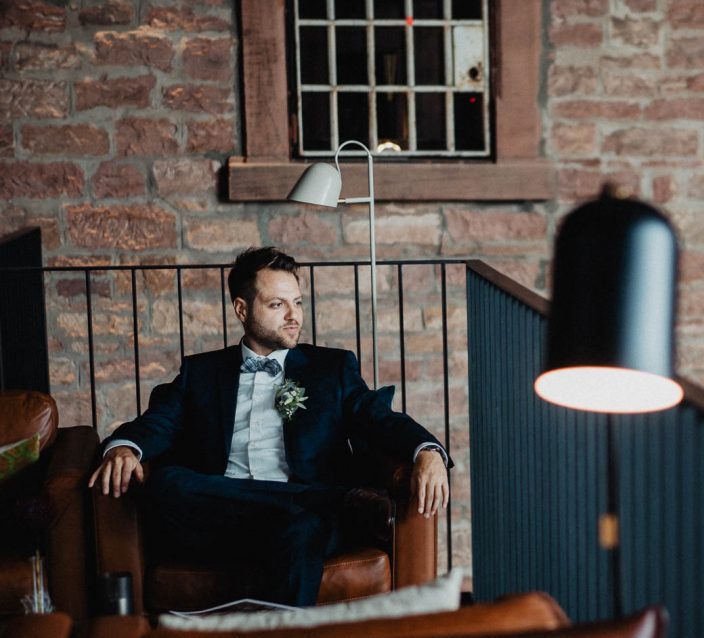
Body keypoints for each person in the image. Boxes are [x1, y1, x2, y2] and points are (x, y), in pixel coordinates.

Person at [88, 246, 452, 606]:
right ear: (242, 309)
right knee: (168, 482)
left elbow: (378, 418)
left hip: (298, 526)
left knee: (301, 526)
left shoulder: (332, 368)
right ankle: (330, 501)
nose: (294, 315)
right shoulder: (201, 373)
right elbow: (159, 422)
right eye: (278, 305)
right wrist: (124, 447)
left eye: (297, 302)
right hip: (219, 520)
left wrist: (428, 450)